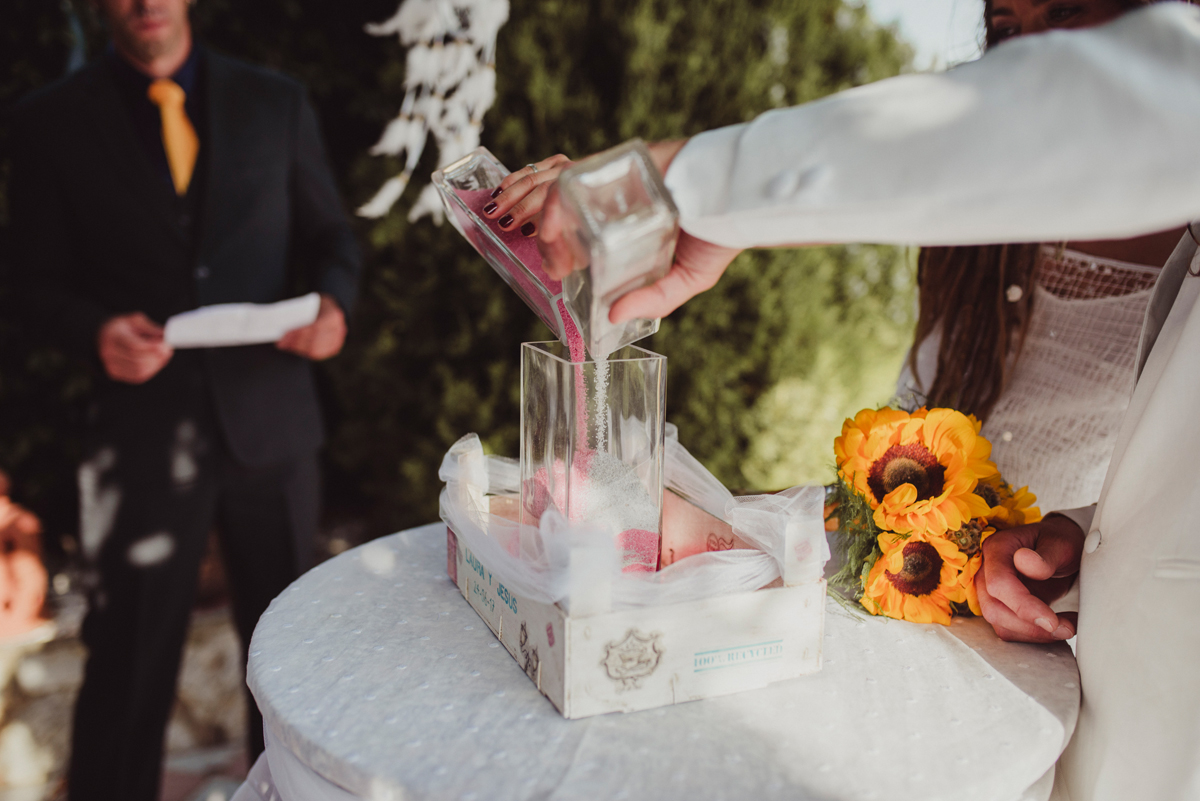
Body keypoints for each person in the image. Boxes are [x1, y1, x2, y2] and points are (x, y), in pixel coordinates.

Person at [497, 3, 1200, 799]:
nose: (1033, 61)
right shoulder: (973, 225)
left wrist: (687, 184)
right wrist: (1065, 538)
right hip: (939, 639)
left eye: (1074, 19)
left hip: (1064, 705)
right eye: (1007, 35)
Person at [7, 0, 361, 797]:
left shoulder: (277, 102)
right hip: (138, 437)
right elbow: (28, 285)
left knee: (290, 661)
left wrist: (334, 307)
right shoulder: (47, 123)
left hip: (271, 425)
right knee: (127, 663)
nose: (146, 4)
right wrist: (94, 330)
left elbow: (333, 238)